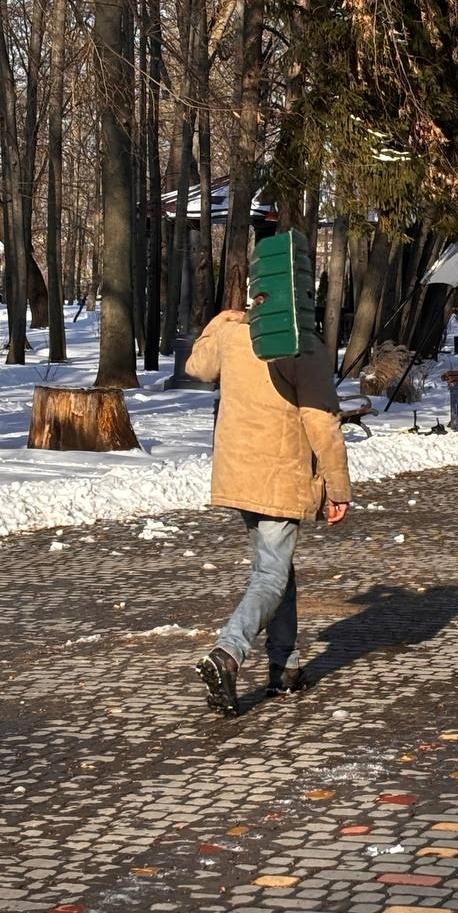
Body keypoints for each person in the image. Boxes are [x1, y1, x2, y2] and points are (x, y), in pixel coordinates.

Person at [185, 298, 351, 716]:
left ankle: (285, 668)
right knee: (271, 575)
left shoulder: (233, 333)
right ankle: (228, 651)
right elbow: (322, 421)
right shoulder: (303, 345)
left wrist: (220, 319)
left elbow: (197, 366)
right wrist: (339, 487)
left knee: (277, 568)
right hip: (280, 475)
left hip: (239, 471)